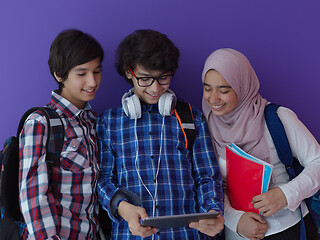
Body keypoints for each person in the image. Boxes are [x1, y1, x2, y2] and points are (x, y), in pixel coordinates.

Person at [96, 29, 224, 240]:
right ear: (129, 72)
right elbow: (103, 180)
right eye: (145, 79)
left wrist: (212, 211)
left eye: (163, 78)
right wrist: (124, 209)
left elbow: (207, 177)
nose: (156, 88)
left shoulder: (192, 118)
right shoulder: (108, 122)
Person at [201, 48, 320, 240]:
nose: (213, 99)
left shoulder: (276, 118)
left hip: (287, 230)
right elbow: (207, 184)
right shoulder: (203, 125)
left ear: (242, 86)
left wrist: (285, 194)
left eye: (224, 90)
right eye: (207, 88)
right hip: (236, 234)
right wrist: (235, 220)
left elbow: (318, 161)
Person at [19, 29, 104, 239]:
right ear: (59, 74)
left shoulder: (94, 121)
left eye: (97, 71)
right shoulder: (41, 122)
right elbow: (33, 195)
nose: (92, 82)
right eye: (82, 73)